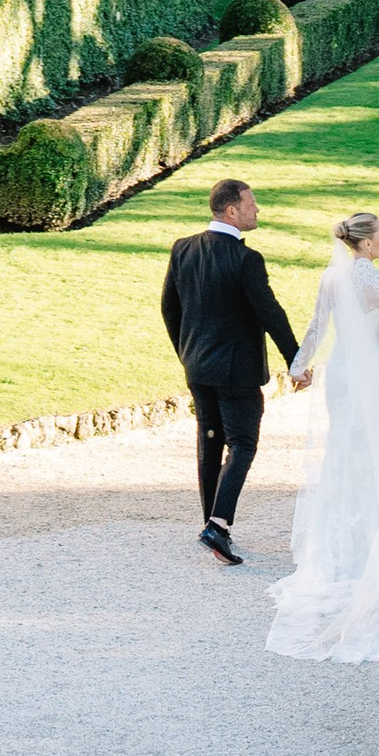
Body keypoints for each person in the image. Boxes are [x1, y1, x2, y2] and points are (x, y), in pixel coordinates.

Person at [266, 209, 379, 663]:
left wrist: (298, 366)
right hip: (368, 377)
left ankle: (341, 552)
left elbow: (315, 328)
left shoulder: (331, 279)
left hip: (342, 376)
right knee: (378, 458)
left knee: (342, 456)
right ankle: (376, 551)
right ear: (366, 244)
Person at [159, 175, 299, 566]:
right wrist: (296, 360)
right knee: (243, 444)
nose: (258, 211)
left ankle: (211, 525)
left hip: (198, 368)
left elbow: (169, 308)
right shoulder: (245, 259)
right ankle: (217, 527)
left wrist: (186, 354)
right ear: (232, 210)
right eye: (252, 205)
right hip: (236, 371)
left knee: (210, 443)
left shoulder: (183, 249)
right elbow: (270, 312)